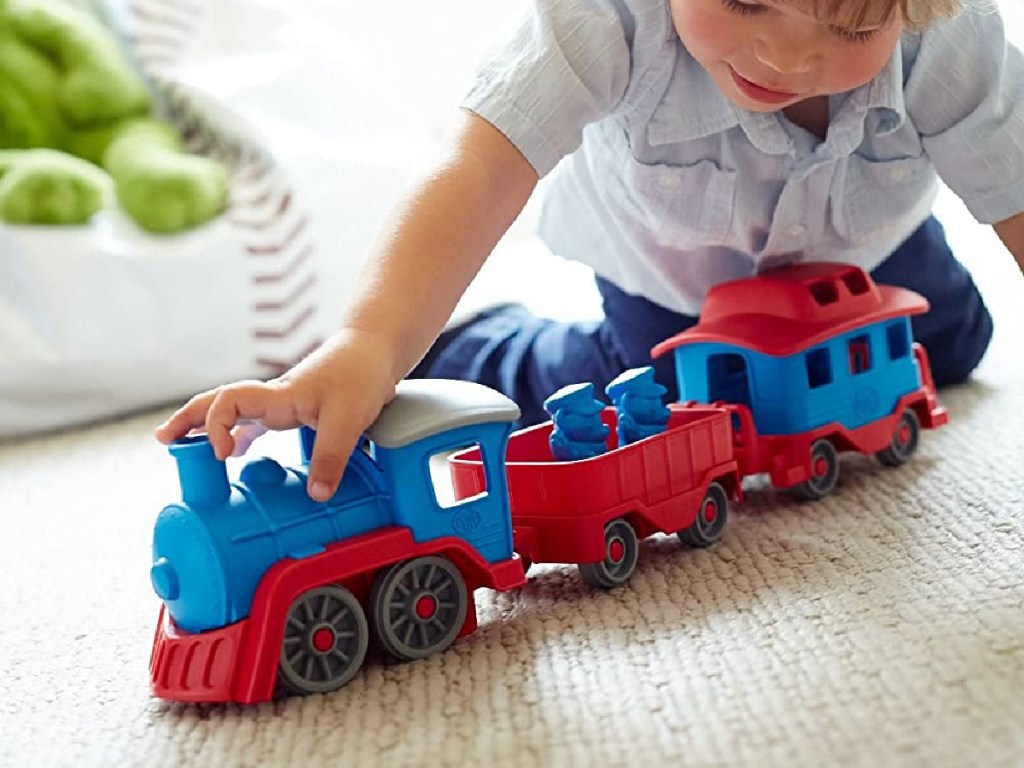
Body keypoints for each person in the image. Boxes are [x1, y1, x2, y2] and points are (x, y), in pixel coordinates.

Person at [156, 0, 1024, 502]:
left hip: (870, 262)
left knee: (949, 351)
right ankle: (492, 343)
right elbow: (478, 166)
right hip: (675, 296)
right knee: (662, 427)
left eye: (847, 26)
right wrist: (372, 343)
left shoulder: (948, 35)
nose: (785, 54)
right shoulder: (605, 18)